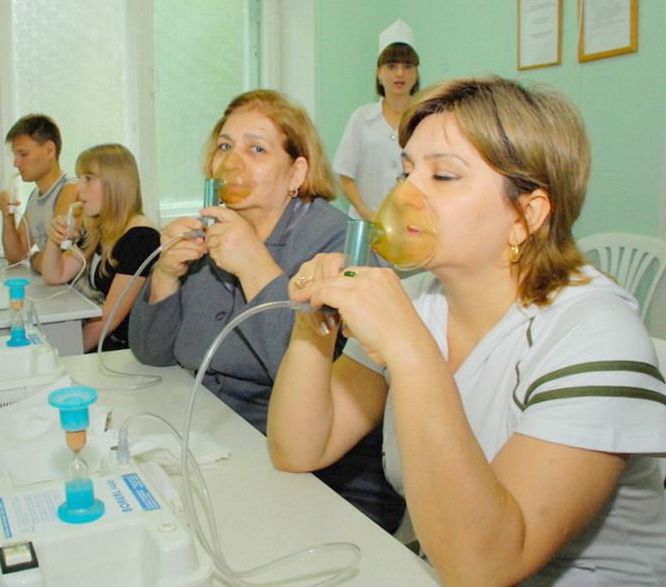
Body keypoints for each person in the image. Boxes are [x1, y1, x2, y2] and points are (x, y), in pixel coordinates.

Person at [268, 77, 666, 585]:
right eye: (406, 171)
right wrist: (315, 320)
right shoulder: (420, 301)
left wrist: (411, 353)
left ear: (526, 215)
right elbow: (299, 449)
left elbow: (485, 566)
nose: (404, 194)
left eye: (444, 176)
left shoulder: (595, 334)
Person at [128, 89, 405, 533]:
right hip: (212, 443)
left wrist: (255, 267)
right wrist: (164, 274)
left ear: (297, 172)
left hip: (318, 477)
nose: (233, 160)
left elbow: (314, 385)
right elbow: (152, 353)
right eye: (225, 146)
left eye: (256, 149)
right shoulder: (209, 233)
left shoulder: (337, 246)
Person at [42, 143, 159, 353]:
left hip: (129, 352)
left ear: (115, 185)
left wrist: (61, 356)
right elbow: (54, 275)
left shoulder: (141, 238)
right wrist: (53, 240)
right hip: (108, 343)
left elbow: (108, 320)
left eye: (88, 179)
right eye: (80, 178)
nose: (78, 188)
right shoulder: (98, 230)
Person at [333, 18, 420, 222]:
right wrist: (366, 213)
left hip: (411, 223)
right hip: (367, 223)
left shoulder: (425, 120)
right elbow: (344, 175)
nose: (400, 73)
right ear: (379, 73)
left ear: (416, 73)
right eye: (391, 66)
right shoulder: (361, 118)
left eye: (407, 66)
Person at [0, 114, 79, 273]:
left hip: (74, 288)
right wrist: (7, 214)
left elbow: (55, 261)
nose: (16, 163)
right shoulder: (36, 196)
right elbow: (15, 256)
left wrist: (33, 258)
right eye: (15, 155)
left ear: (49, 150)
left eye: (23, 154)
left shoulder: (70, 190)